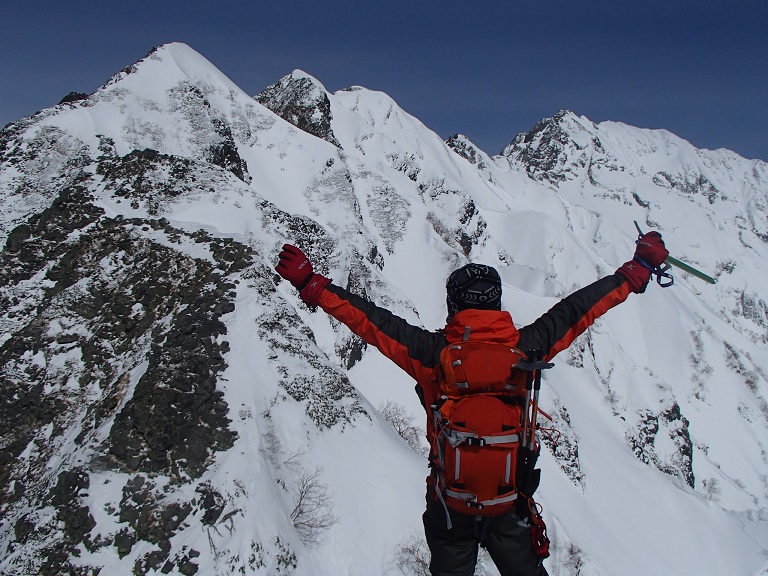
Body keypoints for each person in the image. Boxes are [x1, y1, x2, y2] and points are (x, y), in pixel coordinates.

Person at [275, 231, 669, 576]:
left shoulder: (431, 354)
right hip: (509, 509)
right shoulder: (528, 348)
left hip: (450, 510)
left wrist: (312, 284)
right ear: (496, 302)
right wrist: (634, 272)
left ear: (454, 304)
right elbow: (579, 310)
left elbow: (371, 321)